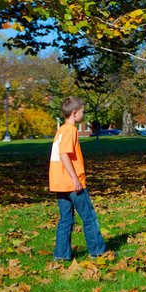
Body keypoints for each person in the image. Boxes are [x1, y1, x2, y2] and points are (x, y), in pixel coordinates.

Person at [50, 96, 109, 260]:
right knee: (89, 217)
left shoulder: (60, 130)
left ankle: (61, 255)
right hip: (73, 183)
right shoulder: (71, 130)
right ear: (75, 113)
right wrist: (75, 178)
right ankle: (98, 251)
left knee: (65, 220)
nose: (84, 114)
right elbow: (64, 155)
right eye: (83, 112)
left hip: (59, 183)